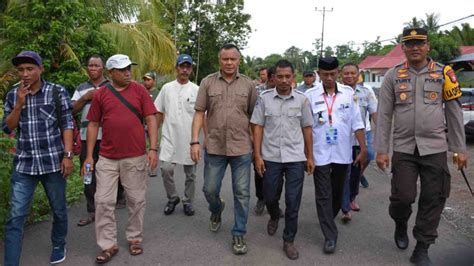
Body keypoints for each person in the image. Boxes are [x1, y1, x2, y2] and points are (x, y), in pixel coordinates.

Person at [375, 28, 467, 266]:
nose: (415, 47)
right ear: (403, 47)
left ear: (428, 46)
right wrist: (382, 150)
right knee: (402, 197)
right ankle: (400, 221)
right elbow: (384, 115)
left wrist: (459, 149)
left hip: (434, 148)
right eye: (409, 43)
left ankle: (423, 247)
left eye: (420, 43)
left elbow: (454, 112)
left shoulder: (444, 73)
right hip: (404, 148)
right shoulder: (393, 76)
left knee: (434, 198)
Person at [82, 54, 158, 263]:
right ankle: (108, 245)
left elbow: (151, 118)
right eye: (122, 69)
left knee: (136, 200)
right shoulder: (101, 94)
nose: (128, 72)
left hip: (135, 157)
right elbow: (93, 124)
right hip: (107, 157)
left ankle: (134, 238)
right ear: (110, 73)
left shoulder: (140, 90)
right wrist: (89, 156)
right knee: (103, 200)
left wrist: (153, 149)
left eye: (129, 68)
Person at [2, 51, 74, 265]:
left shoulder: (56, 92)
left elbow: (67, 124)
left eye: (30, 69)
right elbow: (8, 128)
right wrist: (18, 104)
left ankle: (59, 243)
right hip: (25, 165)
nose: (24, 74)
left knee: (59, 210)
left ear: (40, 69)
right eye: (21, 70)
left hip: (53, 163)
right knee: (15, 217)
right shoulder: (13, 94)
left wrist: (68, 156)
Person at [191, 43, 257, 255]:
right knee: (209, 189)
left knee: (242, 192)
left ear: (239, 60)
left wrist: (257, 150)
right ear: (219, 60)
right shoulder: (207, 82)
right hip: (215, 146)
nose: (229, 63)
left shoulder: (248, 85)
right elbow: (200, 113)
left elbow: (255, 119)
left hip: (241, 147)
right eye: (225, 59)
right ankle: (216, 209)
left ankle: (239, 232)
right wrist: (195, 142)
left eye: (233, 59)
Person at [251, 59, 314, 260]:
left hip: (295, 157)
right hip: (271, 157)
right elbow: (257, 127)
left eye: (288, 76)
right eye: (280, 76)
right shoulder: (264, 99)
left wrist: (310, 156)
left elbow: (307, 128)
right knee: (270, 196)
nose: (284, 80)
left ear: (293, 77)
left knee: (293, 200)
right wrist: (257, 155)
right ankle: (274, 213)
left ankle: (289, 240)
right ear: (273, 78)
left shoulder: (302, 100)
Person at [305, 56, 367, 254]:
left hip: (342, 152)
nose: (329, 78)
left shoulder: (348, 94)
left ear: (338, 72)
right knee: (323, 194)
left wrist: (363, 149)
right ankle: (330, 235)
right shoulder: (310, 95)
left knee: (338, 192)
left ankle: (327, 218)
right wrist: (307, 155)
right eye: (325, 75)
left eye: (332, 74)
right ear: (319, 74)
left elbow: (357, 122)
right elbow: (306, 127)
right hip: (320, 153)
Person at [72, 55, 127, 227]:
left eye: (96, 65)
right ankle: (92, 210)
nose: (93, 68)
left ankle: (118, 197)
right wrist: (85, 97)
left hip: (109, 138)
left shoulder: (112, 86)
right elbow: (71, 110)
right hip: (86, 139)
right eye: (90, 65)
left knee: (115, 171)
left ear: (103, 68)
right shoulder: (81, 88)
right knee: (88, 173)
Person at [154, 54, 199, 216]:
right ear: (176, 68)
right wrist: (153, 138)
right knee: (165, 169)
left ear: (191, 69)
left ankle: (188, 201)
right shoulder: (166, 88)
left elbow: (203, 116)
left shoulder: (197, 90)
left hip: (189, 140)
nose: (185, 70)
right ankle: (172, 198)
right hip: (169, 138)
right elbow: (158, 112)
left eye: (188, 67)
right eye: (182, 66)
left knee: (191, 174)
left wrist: (205, 140)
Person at [340, 63, 378, 222]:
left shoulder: (366, 92)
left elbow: (374, 113)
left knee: (356, 171)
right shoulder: (337, 92)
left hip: (360, 137)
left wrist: (381, 136)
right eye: (346, 73)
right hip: (342, 139)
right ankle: (345, 207)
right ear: (341, 75)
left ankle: (351, 197)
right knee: (344, 173)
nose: (349, 76)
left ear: (358, 74)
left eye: (352, 73)